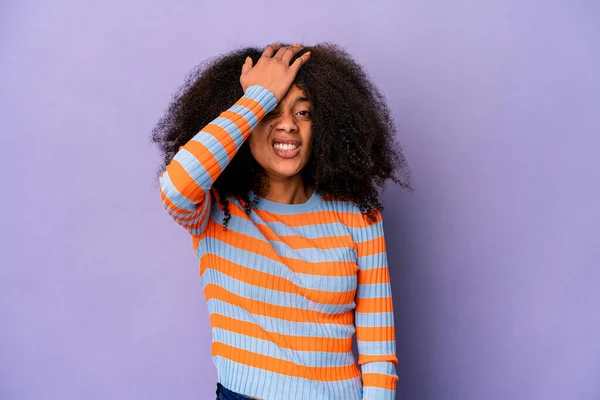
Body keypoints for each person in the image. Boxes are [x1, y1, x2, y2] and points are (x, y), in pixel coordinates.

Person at [152, 42, 412, 400]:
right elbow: (176, 184)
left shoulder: (357, 214)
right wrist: (256, 97)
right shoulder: (215, 210)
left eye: (303, 113)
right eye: (270, 112)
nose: (288, 125)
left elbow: (379, 353)